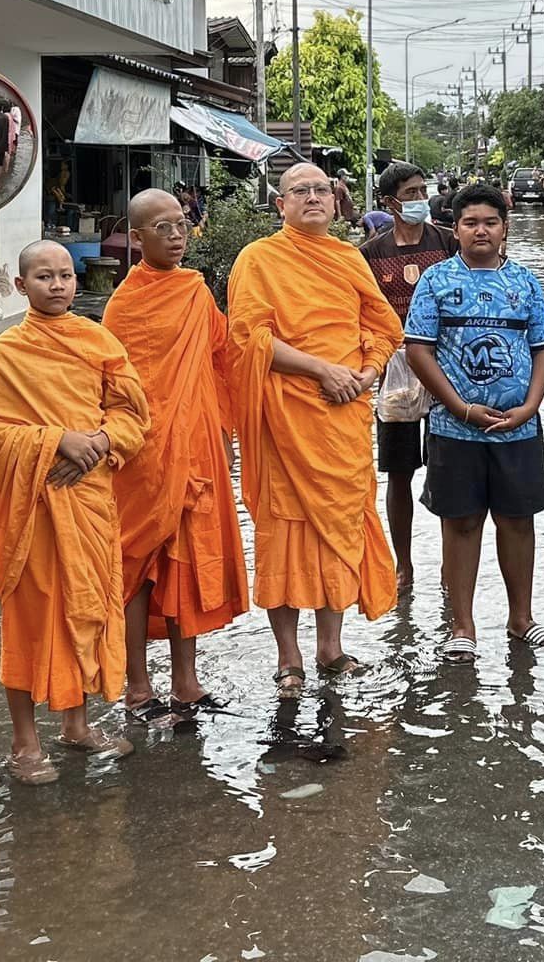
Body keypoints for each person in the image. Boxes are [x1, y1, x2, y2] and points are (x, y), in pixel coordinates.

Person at [0, 241, 153, 784]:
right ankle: (25, 743)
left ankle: (76, 724)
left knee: (88, 607)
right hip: (32, 506)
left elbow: (133, 414)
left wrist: (97, 441)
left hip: (89, 497)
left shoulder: (98, 340)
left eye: (66, 276)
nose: (58, 285)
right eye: (44, 276)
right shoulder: (4, 353)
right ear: (20, 286)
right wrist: (56, 441)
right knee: (30, 623)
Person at [227, 160, 404, 694]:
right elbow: (249, 339)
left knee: (341, 526)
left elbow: (382, 326)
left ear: (336, 200)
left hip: (343, 414)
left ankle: (331, 646)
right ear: (279, 205)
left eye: (321, 190)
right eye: (298, 191)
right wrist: (320, 369)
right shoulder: (258, 259)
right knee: (283, 533)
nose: (311, 197)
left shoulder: (348, 256)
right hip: (287, 413)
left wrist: (366, 372)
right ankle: (289, 656)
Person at [103, 189, 249, 720]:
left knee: (186, 559)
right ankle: (138, 686)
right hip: (144, 453)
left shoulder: (194, 291)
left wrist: (224, 432)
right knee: (138, 563)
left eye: (181, 224)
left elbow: (218, 360)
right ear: (136, 239)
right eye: (161, 227)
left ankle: (187, 682)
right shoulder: (124, 302)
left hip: (197, 443)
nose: (176, 235)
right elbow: (116, 385)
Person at [404, 183, 544, 657]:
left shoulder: (525, 283)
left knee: (517, 521)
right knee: (461, 522)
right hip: (455, 430)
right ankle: (462, 627)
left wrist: (531, 406)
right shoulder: (435, 280)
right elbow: (418, 350)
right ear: (456, 229)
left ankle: (521, 618)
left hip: (518, 427)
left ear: (504, 228)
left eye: (490, 222)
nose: (481, 230)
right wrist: (459, 407)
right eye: (470, 222)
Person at [358, 162, 457, 590]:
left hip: (445, 368)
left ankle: (450, 562)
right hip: (394, 374)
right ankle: (404, 565)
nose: (419, 199)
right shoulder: (370, 254)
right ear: (389, 203)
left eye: (422, 191)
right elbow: (358, 312)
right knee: (398, 473)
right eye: (410, 193)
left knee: (446, 469)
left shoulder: (449, 242)